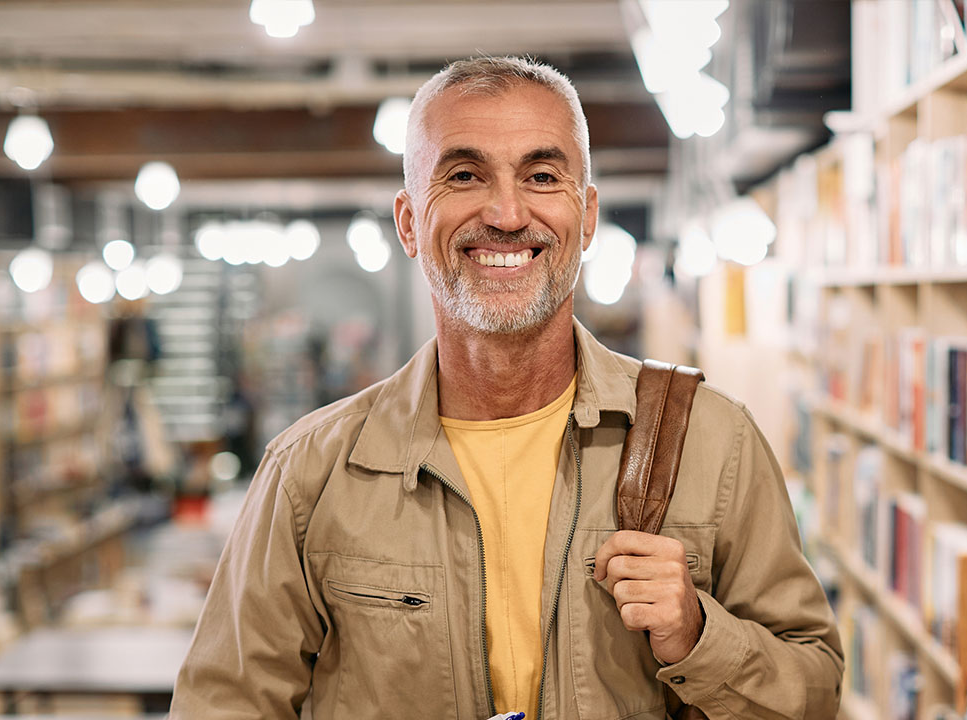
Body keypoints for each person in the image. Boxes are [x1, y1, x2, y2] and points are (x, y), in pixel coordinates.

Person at [171, 56, 842, 719]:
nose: (506, 211)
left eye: (542, 175)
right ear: (409, 222)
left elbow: (815, 691)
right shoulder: (310, 473)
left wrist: (699, 636)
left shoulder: (712, 442)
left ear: (586, 218)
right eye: (464, 175)